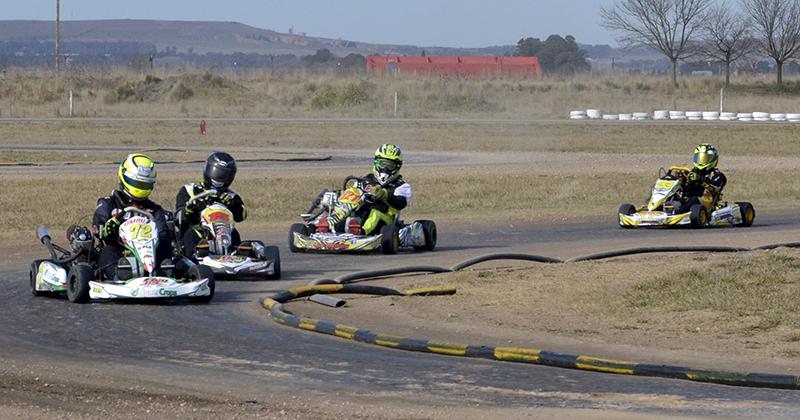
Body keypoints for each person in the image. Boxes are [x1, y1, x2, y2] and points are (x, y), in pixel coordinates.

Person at [93, 153, 172, 280]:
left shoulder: (155, 210)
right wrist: (107, 228)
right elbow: (99, 226)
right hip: (120, 252)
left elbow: (162, 233)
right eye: (138, 184)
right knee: (108, 251)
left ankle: (164, 272)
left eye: (144, 185)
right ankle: (119, 275)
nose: (141, 188)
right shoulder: (108, 203)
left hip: (150, 252)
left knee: (165, 244)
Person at [175, 152, 247, 259]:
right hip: (200, 230)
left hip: (224, 230)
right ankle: (195, 255)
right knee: (191, 234)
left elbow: (242, 215)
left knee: (234, 233)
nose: (219, 178)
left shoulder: (230, 196)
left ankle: (237, 255)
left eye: (224, 176)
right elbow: (178, 219)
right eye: (217, 174)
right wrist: (188, 210)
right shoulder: (190, 190)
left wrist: (232, 204)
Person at [329, 144, 412, 235]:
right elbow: (355, 192)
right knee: (351, 198)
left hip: (385, 219)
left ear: (397, 167)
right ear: (376, 163)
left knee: (376, 211)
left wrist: (384, 195)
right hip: (362, 212)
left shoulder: (401, 185)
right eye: (383, 164)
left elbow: (401, 203)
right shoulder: (367, 180)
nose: (385, 169)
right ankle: (330, 224)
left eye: (390, 166)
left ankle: (361, 232)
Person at [681, 143, 726, 212]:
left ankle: (677, 212)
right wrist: (682, 180)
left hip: (706, 202)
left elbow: (715, 188)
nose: (701, 161)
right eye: (699, 158)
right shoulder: (692, 172)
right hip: (689, 199)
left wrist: (700, 179)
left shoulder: (718, 175)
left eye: (705, 158)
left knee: (694, 199)